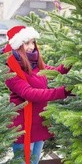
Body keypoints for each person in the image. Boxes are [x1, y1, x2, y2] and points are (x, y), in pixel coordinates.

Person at [4, 25, 72, 164]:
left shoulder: (35, 63)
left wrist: (72, 60)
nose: (31, 47)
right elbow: (29, 93)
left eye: (33, 42)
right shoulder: (10, 69)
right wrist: (62, 92)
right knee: (22, 162)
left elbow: (56, 72)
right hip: (22, 127)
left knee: (34, 162)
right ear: (17, 45)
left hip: (39, 124)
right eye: (26, 43)